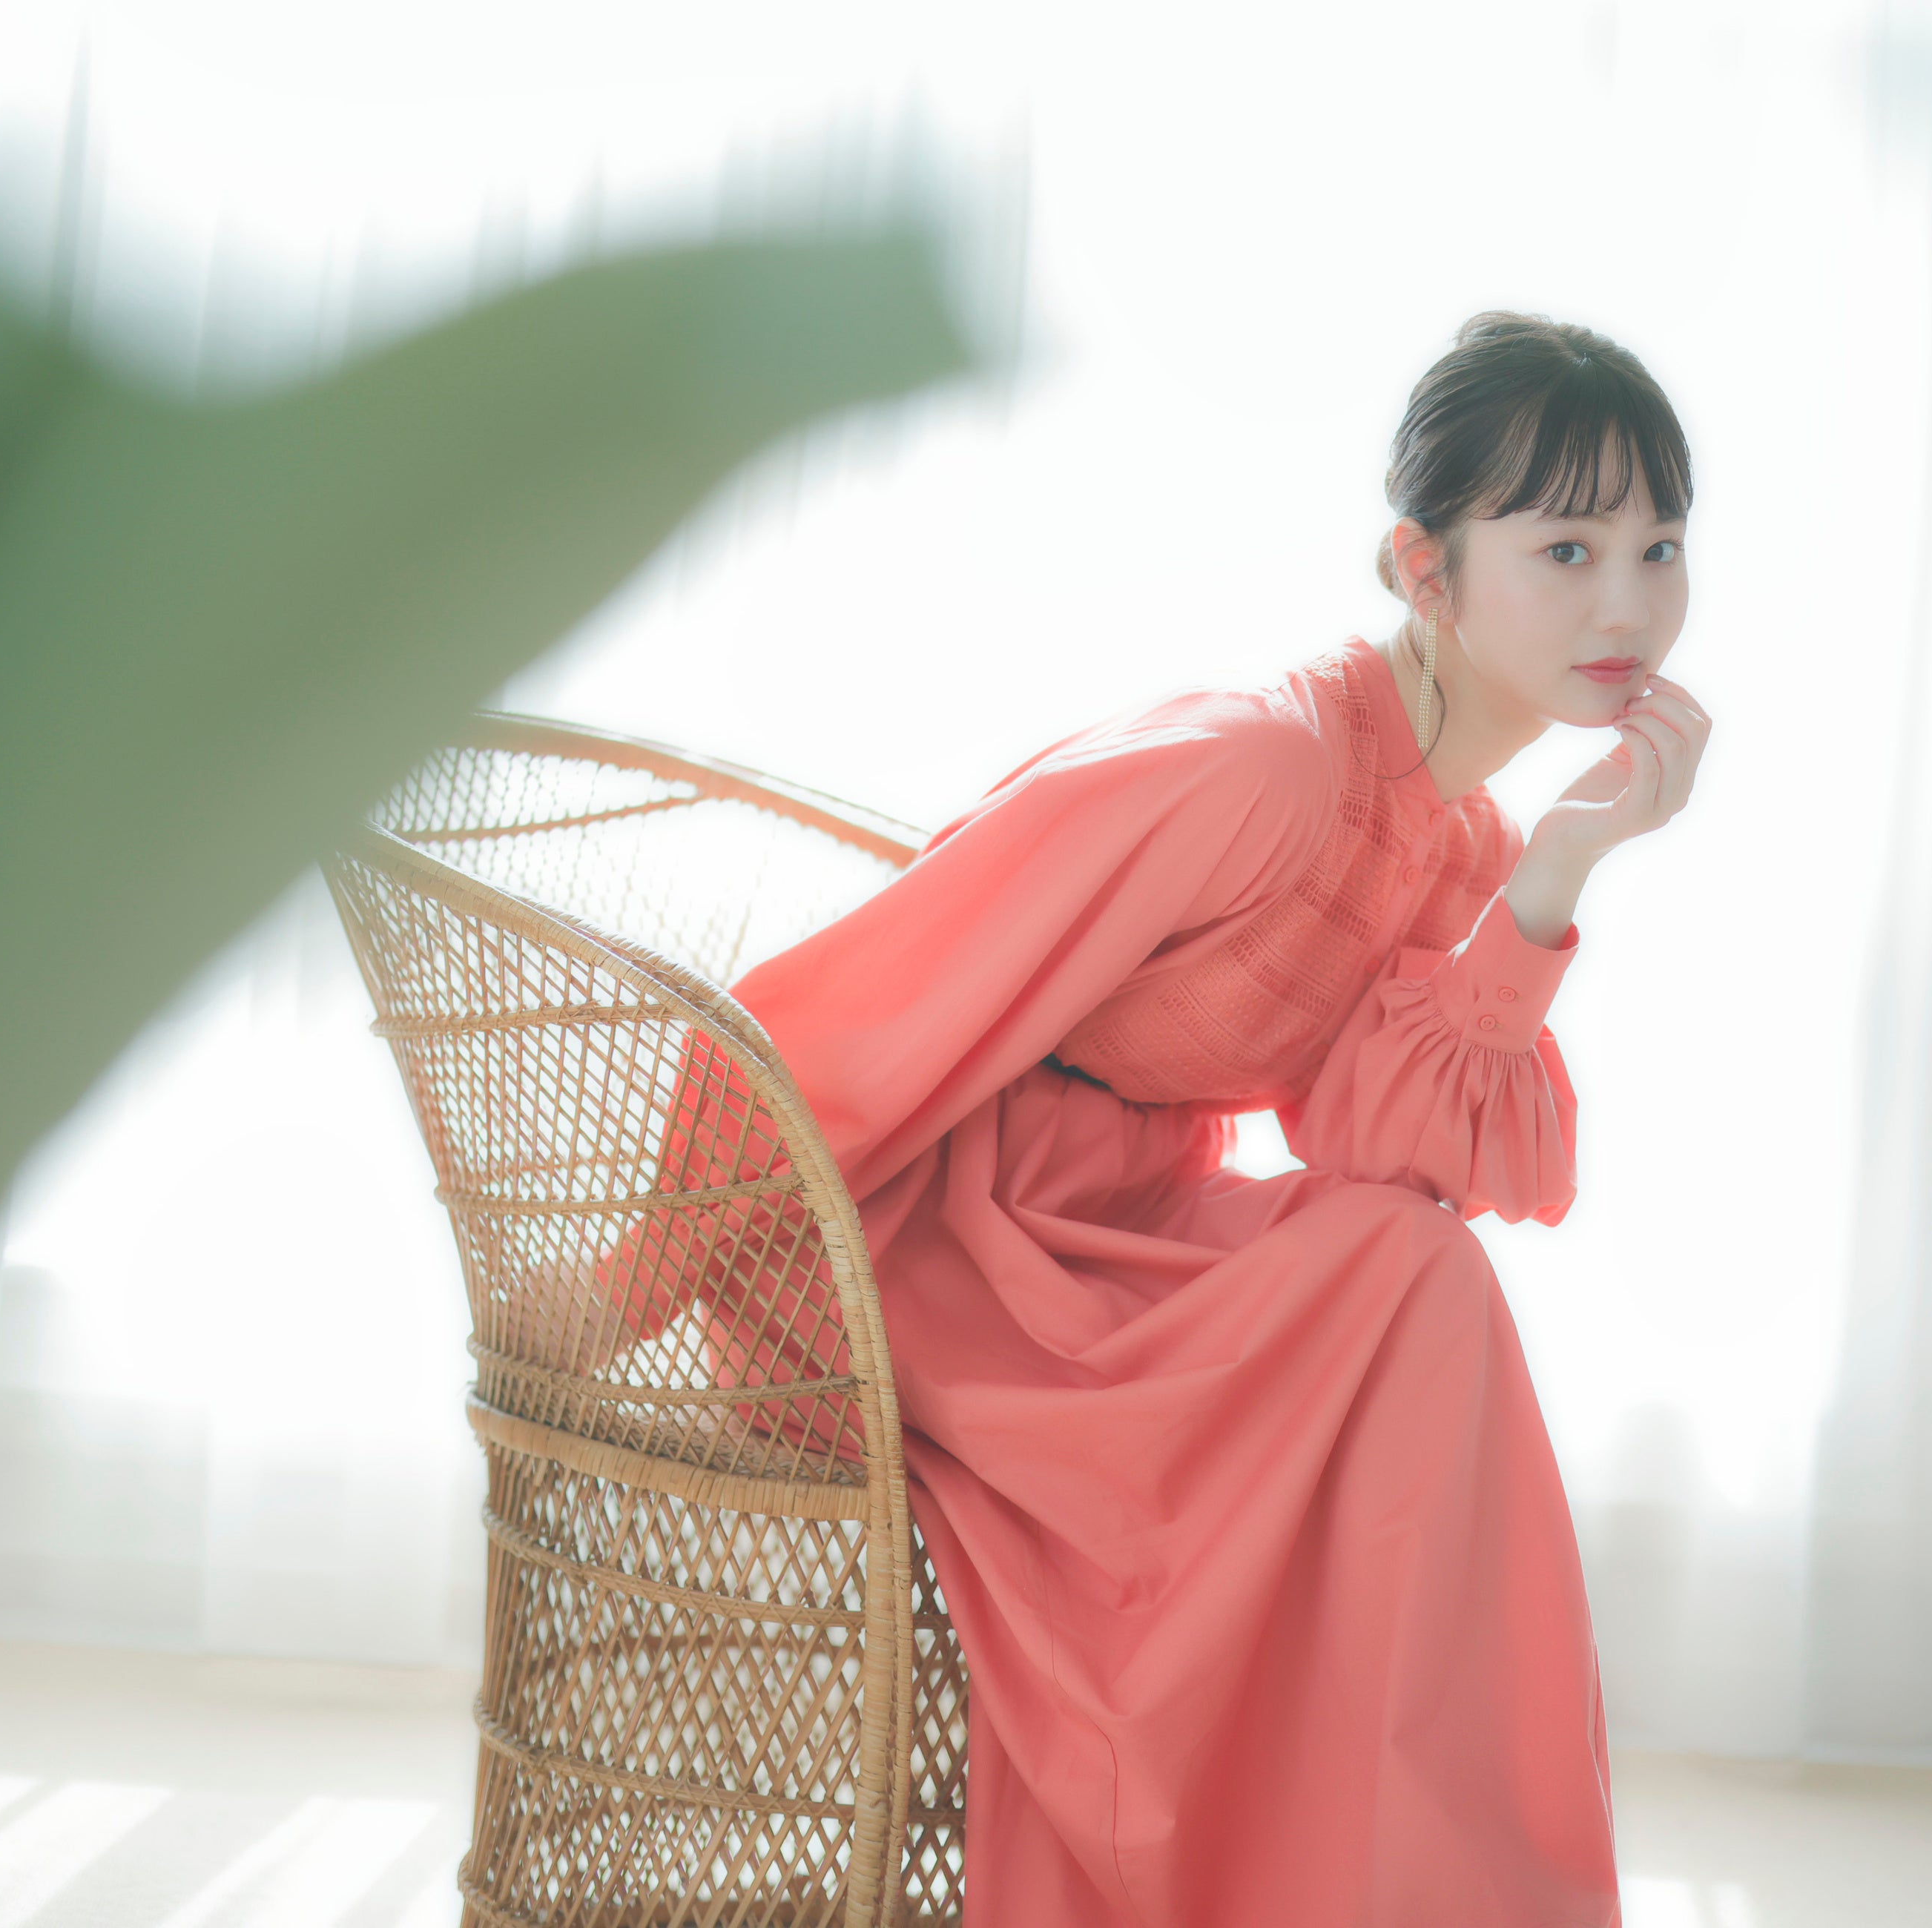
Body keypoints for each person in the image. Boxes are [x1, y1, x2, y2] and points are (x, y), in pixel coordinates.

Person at [733, 311, 1710, 1927]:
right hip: (958, 1246)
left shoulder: (1465, 836)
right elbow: (881, 993)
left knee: (1412, 1272)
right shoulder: (1262, 763)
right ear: (1422, 568)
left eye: (1661, 547)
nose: (1629, 605)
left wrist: (1556, 868)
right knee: (1406, 1285)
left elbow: (1381, 1148)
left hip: (1126, 1240)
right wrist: (648, 1277)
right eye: (1567, 549)